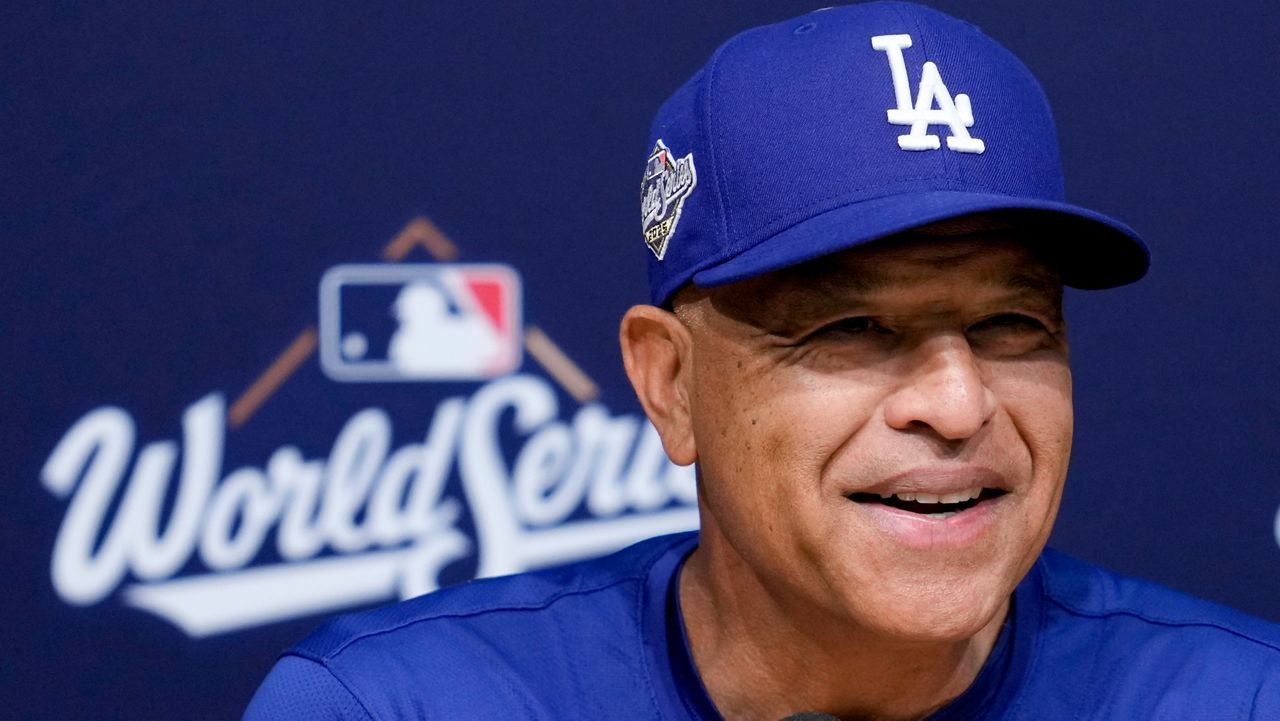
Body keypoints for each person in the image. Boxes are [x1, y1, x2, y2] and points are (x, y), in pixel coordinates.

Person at [244, 3, 1280, 719]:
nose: (959, 402)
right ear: (669, 383)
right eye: (850, 331)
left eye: (1013, 325)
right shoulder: (400, 705)